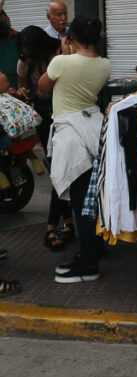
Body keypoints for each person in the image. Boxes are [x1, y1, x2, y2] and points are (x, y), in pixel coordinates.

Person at [37, 16, 111, 284]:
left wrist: (63, 53)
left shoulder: (61, 62)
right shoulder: (104, 64)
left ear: (72, 36)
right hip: (94, 129)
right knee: (93, 196)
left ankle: (88, 264)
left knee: (81, 202)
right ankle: (95, 248)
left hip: (70, 135)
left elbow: (43, 88)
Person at [16, 26, 74, 251]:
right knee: (57, 172)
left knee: (62, 171)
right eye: (23, 54)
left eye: (29, 53)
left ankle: (56, 224)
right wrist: (22, 92)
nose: (26, 58)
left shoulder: (61, 53)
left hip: (64, 114)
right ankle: (65, 222)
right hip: (44, 118)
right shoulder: (25, 61)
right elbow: (24, 86)